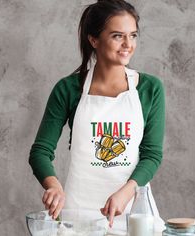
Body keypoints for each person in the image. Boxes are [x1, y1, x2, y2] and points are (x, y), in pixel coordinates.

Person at [29, 0, 165, 232]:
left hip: (133, 212)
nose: (127, 44)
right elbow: (40, 151)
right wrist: (53, 186)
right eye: (117, 36)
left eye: (132, 35)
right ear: (94, 40)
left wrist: (126, 193)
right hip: (78, 211)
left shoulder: (150, 88)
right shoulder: (68, 89)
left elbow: (151, 155)